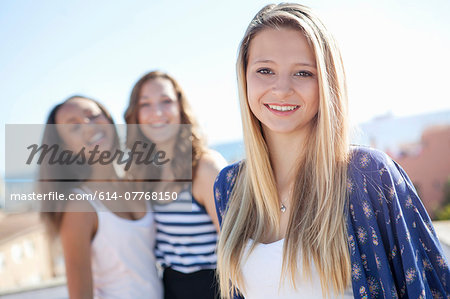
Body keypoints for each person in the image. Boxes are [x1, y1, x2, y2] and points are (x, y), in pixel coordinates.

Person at [213, 3, 450, 299]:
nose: (282, 88)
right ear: (244, 77)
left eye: (303, 73)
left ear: (327, 81)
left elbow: (429, 286)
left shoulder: (368, 174)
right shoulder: (230, 186)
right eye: (265, 70)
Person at [40, 95, 163, 299]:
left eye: (93, 115)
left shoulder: (135, 181)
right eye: (74, 126)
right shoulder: (79, 205)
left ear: (108, 119)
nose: (89, 126)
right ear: (65, 148)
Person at [124, 71, 227, 299]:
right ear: (136, 115)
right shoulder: (143, 172)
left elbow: (238, 248)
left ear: (180, 107)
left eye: (166, 101)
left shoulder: (205, 168)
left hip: (213, 289)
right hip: (170, 287)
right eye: (145, 104)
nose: (157, 112)